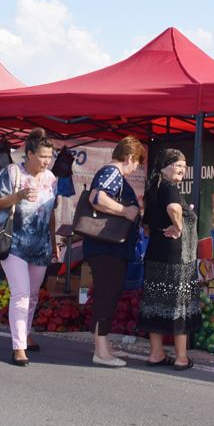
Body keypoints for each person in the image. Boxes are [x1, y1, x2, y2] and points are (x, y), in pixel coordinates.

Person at [0, 128, 58, 366]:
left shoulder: (51, 178)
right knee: (21, 294)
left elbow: (51, 213)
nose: (46, 161)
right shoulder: (13, 172)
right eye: (42, 156)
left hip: (40, 245)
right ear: (29, 154)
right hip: (15, 243)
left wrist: (53, 241)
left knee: (32, 296)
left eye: (49, 157)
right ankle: (18, 347)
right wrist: (18, 195)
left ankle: (26, 333)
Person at [83, 136, 144, 367]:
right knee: (107, 294)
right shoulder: (112, 172)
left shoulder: (112, 173)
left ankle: (102, 345)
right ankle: (101, 352)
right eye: (136, 163)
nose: (135, 169)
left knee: (106, 293)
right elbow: (96, 197)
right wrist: (125, 211)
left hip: (108, 247)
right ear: (129, 158)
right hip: (107, 247)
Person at [138, 148, 200, 370]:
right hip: (176, 257)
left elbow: (146, 225)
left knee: (156, 302)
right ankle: (181, 357)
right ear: (164, 168)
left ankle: (156, 353)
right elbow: (173, 208)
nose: (183, 169)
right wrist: (179, 227)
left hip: (155, 254)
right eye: (178, 165)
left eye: (184, 166)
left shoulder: (153, 189)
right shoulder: (169, 188)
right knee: (177, 303)